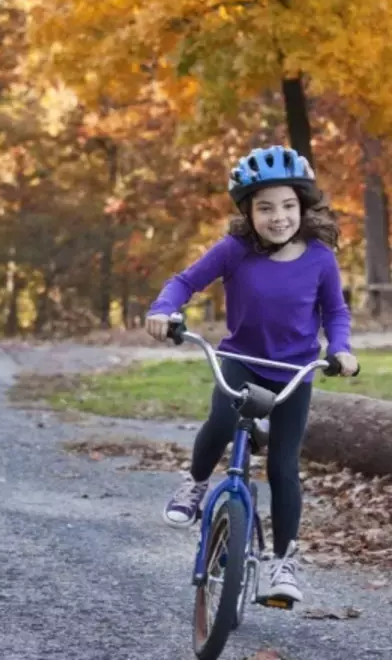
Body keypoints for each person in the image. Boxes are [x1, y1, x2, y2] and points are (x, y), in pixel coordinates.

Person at [145, 145, 358, 604]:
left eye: (288, 205)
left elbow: (336, 312)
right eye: (265, 208)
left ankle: (284, 562)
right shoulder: (235, 251)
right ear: (248, 212)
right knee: (222, 423)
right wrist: (164, 308)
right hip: (241, 360)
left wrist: (340, 349)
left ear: (303, 206)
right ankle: (196, 483)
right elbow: (184, 282)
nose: (278, 217)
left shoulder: (320, 258)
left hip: (295, 371)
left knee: (283, 466)